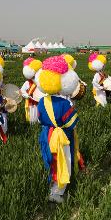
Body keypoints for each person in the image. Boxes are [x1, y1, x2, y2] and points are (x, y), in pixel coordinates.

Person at [35, 56, 84, 203]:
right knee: (63, 162)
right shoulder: (64, 104)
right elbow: (72, 124)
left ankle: (53, 185)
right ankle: (57, 193)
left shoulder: (42, 100)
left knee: (51, 161)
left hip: (46, 134)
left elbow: (39, 119)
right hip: (62, 137)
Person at [20, 57, 43, 124]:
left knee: (41, 119)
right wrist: (26, 95)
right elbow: (22, 91)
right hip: (32, 103)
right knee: (32, 119)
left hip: (41, 102)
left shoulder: (42, 82)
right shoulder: (28, 82)